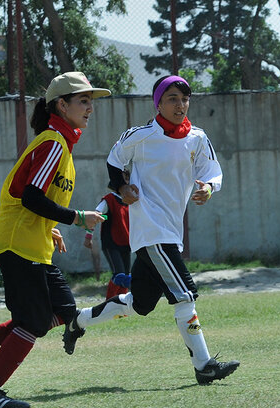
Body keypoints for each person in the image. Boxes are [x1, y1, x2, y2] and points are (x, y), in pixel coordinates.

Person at [63, 75, 239, 385]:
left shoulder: (197, 138)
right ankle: (204, 365)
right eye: (172, 99)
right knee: (185, 296)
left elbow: (211, 171)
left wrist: (208, 189)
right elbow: (114, 160)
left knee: (139, 304)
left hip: (170, 232)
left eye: (184, 99)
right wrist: (121, 187)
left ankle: (78, 320)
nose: (180, 105)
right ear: (158, 103)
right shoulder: (141, 135)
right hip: (150, 231)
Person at [0, 72, 111, 408]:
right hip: (18, 245)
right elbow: (30, 197)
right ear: (62, 105)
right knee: (33, 322)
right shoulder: (53, 143)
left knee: (63, 310)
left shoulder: (61, 144)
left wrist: (49, 226)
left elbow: (32, 198)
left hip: (33, 244)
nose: (90, 108)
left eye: (91, 101)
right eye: (83, 101)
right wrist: (76, 217)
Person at [83, 184, 132, 298]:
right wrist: (88, 237)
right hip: (111, 243)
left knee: (126, 277)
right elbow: (94, 217)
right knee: (119, 275)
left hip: (126, 243)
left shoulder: (130, 200)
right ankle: (108, 303)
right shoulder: (109, 200)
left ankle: (121, 306)